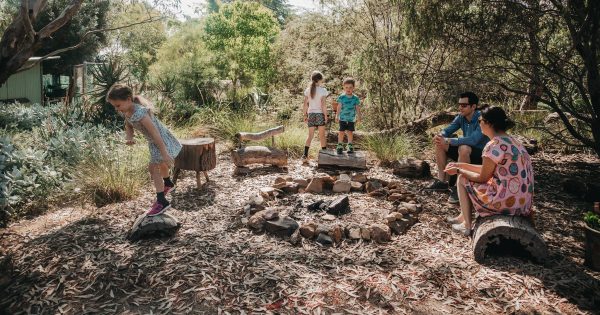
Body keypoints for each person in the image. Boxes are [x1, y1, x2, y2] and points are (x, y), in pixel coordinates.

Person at [444, 106, 534, 236]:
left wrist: (459, 171)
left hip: (505, 202)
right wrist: (461, 165)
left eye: (480, 120)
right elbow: (490, 170)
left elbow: (483, 177)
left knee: (462, 179)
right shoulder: (514, 142)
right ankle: (463, 217)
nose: (479, 123)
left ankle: (467, 226)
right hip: (521, 202)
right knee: (464, 174)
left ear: (489, 124)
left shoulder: (493, 145)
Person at [106, 84, 182, 216]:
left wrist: (164, 152)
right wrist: (129, 137)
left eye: (118, 105)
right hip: (154, 143)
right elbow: (129, 126)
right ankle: (168, 183)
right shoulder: (127, 112)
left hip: (161, 141)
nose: (116, 109)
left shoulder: (140, 112)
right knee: (160, 165)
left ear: (129, 99)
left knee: (154, 168)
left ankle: (161, 201)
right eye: (114, 106)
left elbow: (156, 133)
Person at [426, 92, 489, 204]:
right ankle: (442, 182)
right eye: (459, 105)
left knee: (463, 147)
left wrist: (450, 140)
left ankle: (458, 186)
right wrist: (441, 135)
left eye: (464, 105)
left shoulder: (481, 118)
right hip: (466, 153)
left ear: (473, 106)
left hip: (481, 157)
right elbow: (448, 129)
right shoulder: (461, 117)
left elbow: (473, 140)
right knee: (440, 143)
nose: (460, 107)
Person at [301, 71, 329, 162]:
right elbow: (324, 105)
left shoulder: (308, 90)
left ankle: (304, 155)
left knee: (310, 135)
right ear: (319, 80)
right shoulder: (323, 91)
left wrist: (305, 115)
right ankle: (324, 156)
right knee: (322, 136)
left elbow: (305, 104)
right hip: (320, 114)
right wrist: (325, 115)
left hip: (311, 114)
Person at [335, 77, 361, 154]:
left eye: (350, 87)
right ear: (343, 87)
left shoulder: (355, 98)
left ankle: (349, 145)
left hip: (351, 119)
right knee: (341, 131)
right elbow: (339, 107)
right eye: (346, 87)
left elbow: (357, 108)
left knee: (350, 132)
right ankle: (340, 145)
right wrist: (337, 115)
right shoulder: (341, 97)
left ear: (353, 88)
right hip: (342, 118)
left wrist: (359, 116)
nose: (348, 89)